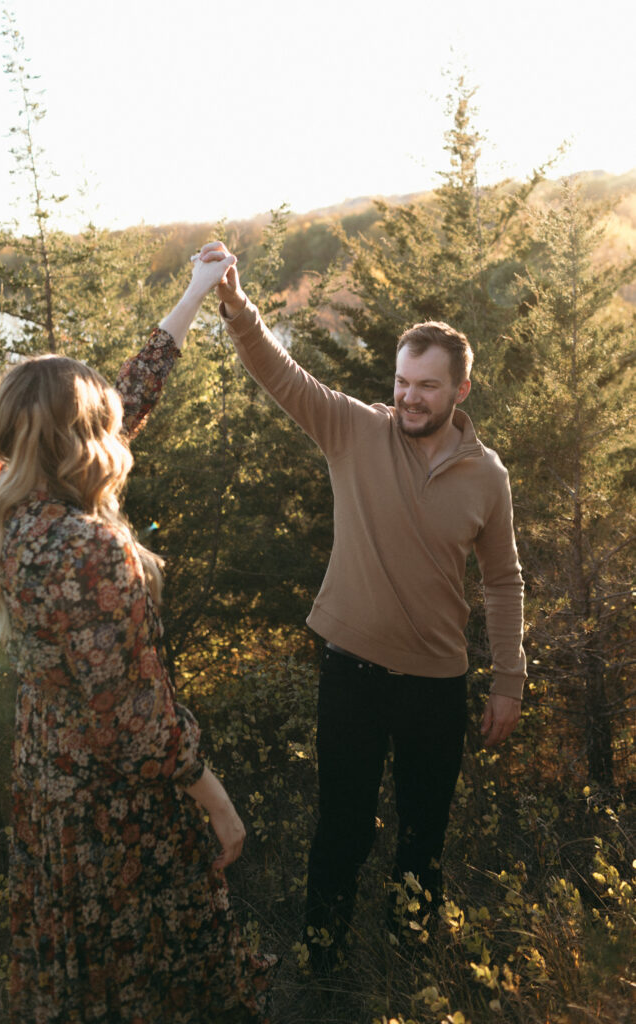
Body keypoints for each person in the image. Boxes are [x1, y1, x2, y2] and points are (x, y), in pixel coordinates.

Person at [0, 252, 275, 1023]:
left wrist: (198, 292)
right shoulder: (87, 547)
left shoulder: (18, 506)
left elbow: (125, 402)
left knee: (77, 963)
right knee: (147, 964)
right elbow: (136, 716)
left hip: (50, 775)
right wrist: (217, 799)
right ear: (81, 438)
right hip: (117, 800)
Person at [198, 240, 526, 969]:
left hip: (438, 687)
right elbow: (281, 375)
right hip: (350, 674)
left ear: (459, 392)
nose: (409, 396)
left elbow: (502, 578)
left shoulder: (486, 477)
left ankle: (409, 965)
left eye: (427, 387)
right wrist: (233, 303)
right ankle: (321, 960)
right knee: (341, 826)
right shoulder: (354, 430)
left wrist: (508, 679)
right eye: (403, 381)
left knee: (422, 834)